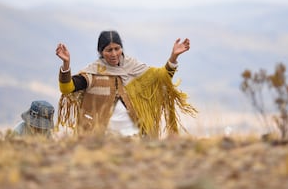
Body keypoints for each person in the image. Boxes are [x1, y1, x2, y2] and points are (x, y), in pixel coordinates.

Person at [55, 30, 197, 138]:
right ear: (101, 52)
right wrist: (66, 63)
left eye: (117, 48)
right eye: (108, 50)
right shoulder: (93, 73)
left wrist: (174, 56)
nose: (114, 54)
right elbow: (67, 88)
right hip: (101, 138)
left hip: (134, 136)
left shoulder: (133, 67)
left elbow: (162, 77)